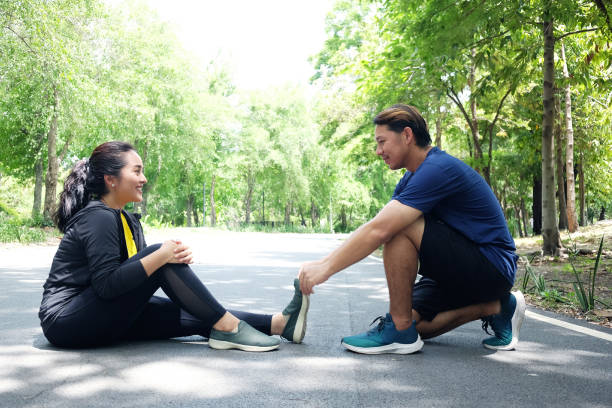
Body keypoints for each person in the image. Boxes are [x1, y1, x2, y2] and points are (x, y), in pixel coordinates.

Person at [39, 141, 309, 352]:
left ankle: (279, 324)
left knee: (189, 307)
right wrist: (162, 257)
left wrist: (168, 261)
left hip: (99, 314)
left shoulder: (126, 220)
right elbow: (107, 285)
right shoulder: (98, 217)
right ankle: (229, 328)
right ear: (111, 179)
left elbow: (132, 280)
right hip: (67, 319)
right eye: (137, 171)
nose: (144, 178)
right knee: (161, 254)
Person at [298, 104, 525, 355]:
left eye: (382, 141)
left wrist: (325, 267)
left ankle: (399, 330)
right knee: (418, 325)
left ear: (407, 136)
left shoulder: (437, 168)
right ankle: (496, 307)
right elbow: (376, 225)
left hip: (492, 267)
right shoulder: (411, 178)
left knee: (398, 230)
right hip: (458, 272)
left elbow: (381, 230)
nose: (378, 151)